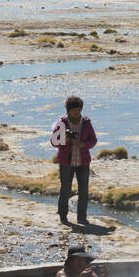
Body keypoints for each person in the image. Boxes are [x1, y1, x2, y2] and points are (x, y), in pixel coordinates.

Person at [51, 96, 97, 226]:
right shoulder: (61, 124)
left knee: (84, 191)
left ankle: (81, 218)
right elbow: (53, 142)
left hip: (83, 162)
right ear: (68, 110)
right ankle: (63, 216)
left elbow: (93, 140)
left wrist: (85, 145)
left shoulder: (86, 122)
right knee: (65, 190)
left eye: (79, 109)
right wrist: (63, 141)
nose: (77, 112)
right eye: (74, 110)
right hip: (66, 162)